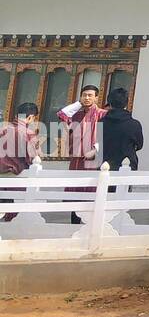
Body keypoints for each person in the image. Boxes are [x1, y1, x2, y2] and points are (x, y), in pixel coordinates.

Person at [60, 84, 106, 223]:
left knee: (91, 194)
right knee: (75, 194)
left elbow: (107, 136)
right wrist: (78, 103)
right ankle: (73, 225)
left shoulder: (103, 114)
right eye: (84, 95)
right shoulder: (76, 114)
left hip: (93, 160)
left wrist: (96, 149)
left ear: (97, 98)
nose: (87, 98)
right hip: (77, 160)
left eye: (90, 95)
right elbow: (62, 114)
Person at [0, 102, 40, 222]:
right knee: (15, 212)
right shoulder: (28, 134)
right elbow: (34, 158)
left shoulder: (3, 129)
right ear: (30, 117)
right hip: (17, 177)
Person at [100, 87, 143, 172]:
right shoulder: (134, 124)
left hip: (104, 164)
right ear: (126, 103)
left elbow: (97, 144)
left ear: (110, 103)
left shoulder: (101, 122)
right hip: (127, 165)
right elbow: (139, 145)